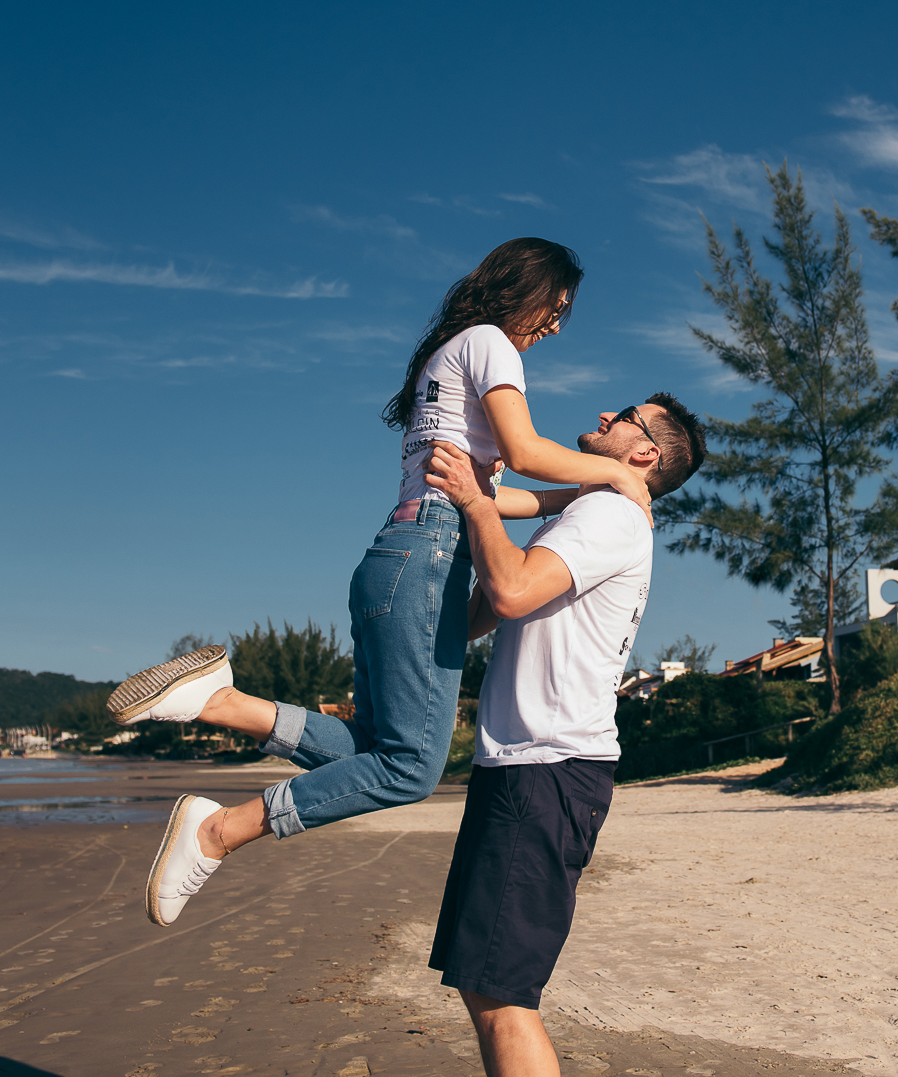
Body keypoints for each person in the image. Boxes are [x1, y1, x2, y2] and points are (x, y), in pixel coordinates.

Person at [104, 239, 655, 927]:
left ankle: (221, 702)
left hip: (401, 554)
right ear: (527, 287)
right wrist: (617, 475)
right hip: (426, 558)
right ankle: (218, 831)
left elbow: (497, 488)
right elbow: (522, 454)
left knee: (376, 748)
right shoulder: (491, 344)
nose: (553, 325)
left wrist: (562, 499)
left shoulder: (451, 350)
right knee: (409, 770)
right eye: (556, 307)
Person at [418, 394, 706, 1077]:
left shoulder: (614, 513)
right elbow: (507, 518)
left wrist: (472, 499)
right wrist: (472, 481)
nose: (607, 412)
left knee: (506, 994)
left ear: (648, 455)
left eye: (628, 415)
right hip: (522, 768)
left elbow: (506, 592)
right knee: (483, 984)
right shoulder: (591, 502)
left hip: (549, 773)